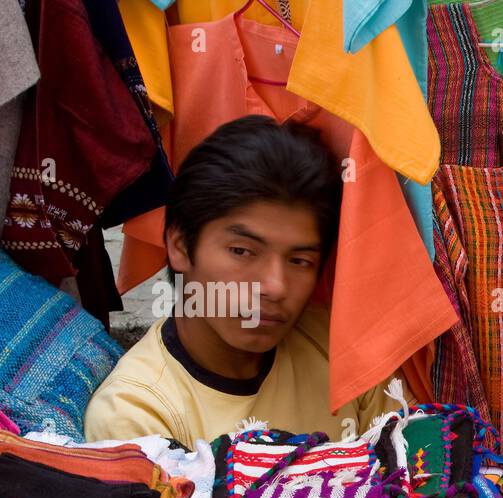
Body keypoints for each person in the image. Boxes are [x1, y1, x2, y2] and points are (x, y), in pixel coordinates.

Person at [84, 116, 402, 447]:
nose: (275, 286)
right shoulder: (136, 417)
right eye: (243, 251)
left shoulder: (343, 352)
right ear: (179, 246)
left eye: (299, 261)